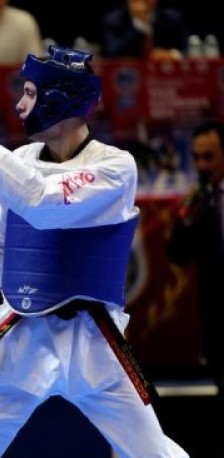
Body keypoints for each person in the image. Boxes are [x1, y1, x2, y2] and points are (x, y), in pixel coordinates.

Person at [0, 45, 188, 457]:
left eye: (29, 92)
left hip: (92, 340)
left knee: (153, 455)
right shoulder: (17, 162)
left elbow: (44, 205)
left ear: (57, 101)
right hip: (19, 333)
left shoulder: (115, 168)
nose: (20, 105)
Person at [166, 119, 224, 453]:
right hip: (216, 315)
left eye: (209, 157)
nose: (202, 166)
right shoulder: (197, 201)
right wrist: (185, 219)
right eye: (197, 158)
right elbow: (177, 254)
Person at [100, 0, 188, 60]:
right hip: (129, 77)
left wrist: (171, 55)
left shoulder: (172, 19)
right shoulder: (114, 20)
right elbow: (112, 54)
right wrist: (140, 24)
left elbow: (187, 50)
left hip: (164, 77)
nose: (143, 3)